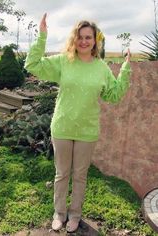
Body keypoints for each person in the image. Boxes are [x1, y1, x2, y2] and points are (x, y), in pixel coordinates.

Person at [24, 13, 131, 233]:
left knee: (80, 176)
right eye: (80, 37)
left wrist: (125, 70)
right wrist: (42, 36)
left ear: (95, 40)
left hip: (87, 130)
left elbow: (114, 95)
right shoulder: (64, 61)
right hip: (62, 126)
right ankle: (59, 213)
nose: (84, 41)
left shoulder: (101, 67)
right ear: (75, 39)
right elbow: (32, 64)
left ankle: (75, 215)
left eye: (88, 37)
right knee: (62, 174)